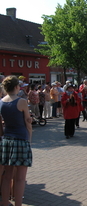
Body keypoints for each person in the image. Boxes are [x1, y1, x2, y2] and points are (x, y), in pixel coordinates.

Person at [0, 75, 32, 206]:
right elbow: (28, 122)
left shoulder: (1, 101)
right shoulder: (22, 102)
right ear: (16, 87)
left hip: (7, 140)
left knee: (7, 176)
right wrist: (29, 137)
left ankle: (5, 202)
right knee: (19, 178)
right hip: (21, 139)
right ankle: (18, 203)